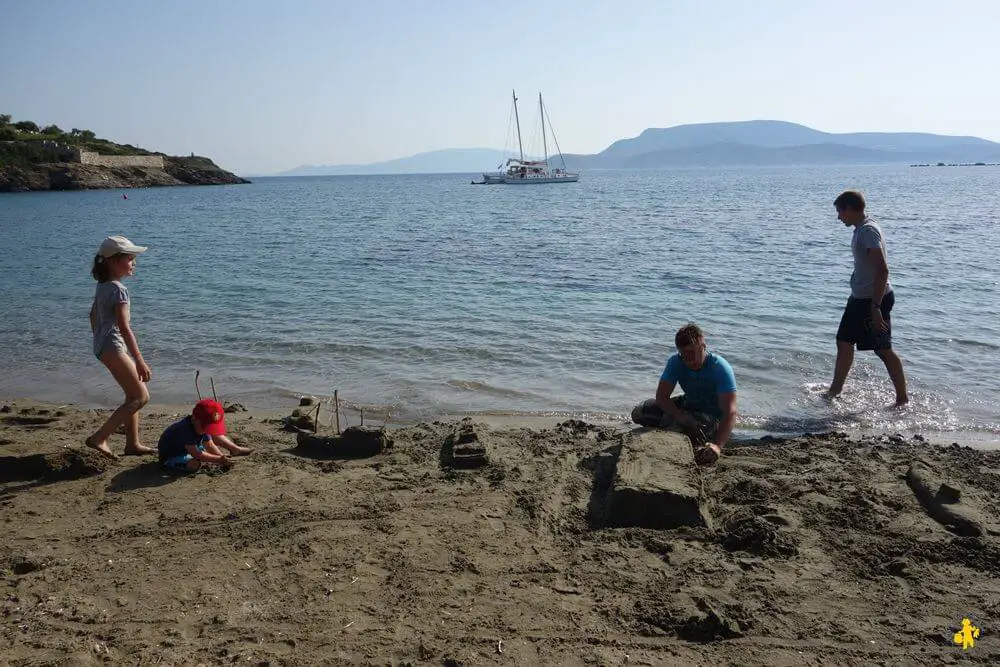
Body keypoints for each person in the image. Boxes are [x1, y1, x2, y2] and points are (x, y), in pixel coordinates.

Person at [825, 190, 908, 406]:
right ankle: (834, 391)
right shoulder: (862, 229)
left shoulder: (867, 231)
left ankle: (902, 399)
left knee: (882, 349)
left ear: (850, 209)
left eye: (840, 211)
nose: (838, 217)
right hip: (860, 299)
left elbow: (882, 270)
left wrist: (876, 306)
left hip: (872, 301)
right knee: (844, 341)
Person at [85, 236, 154, 459]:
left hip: (104, 346)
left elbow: (92, 314)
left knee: (131, 395)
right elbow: (125, 328)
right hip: (113, 346)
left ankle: (132, 444)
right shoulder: (119, 290)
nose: (134, 263)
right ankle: (100, 438)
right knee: (140, 397)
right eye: (130, 259)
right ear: (114, 261)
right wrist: (140, 360)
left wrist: (99, 340)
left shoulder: (103, 285)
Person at [631, 323, 738, 465]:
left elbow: (730, 411)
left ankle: (685, 432)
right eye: (684, 355)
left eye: (692, 354)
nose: (689, 360)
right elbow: (662, 397)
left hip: (711, 416)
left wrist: (718, 446)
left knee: (673, 435)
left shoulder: (720, 368)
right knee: (639, 413)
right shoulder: (675, 362)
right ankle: (673, 424)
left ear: (703, 347)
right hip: (688, 405)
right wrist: (683, 418)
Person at [158, 399, 252, 472]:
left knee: (214, 436)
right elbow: (197, 454)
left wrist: (222, 457)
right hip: (172, 456)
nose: (209, 430)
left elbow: (209, 445)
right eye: (207, 427)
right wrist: (218, 460)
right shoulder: (185, 430)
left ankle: (235, 449)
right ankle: (172, 464)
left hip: (190, 447)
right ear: (194, 419)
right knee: (194, 465)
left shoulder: (199, 426)